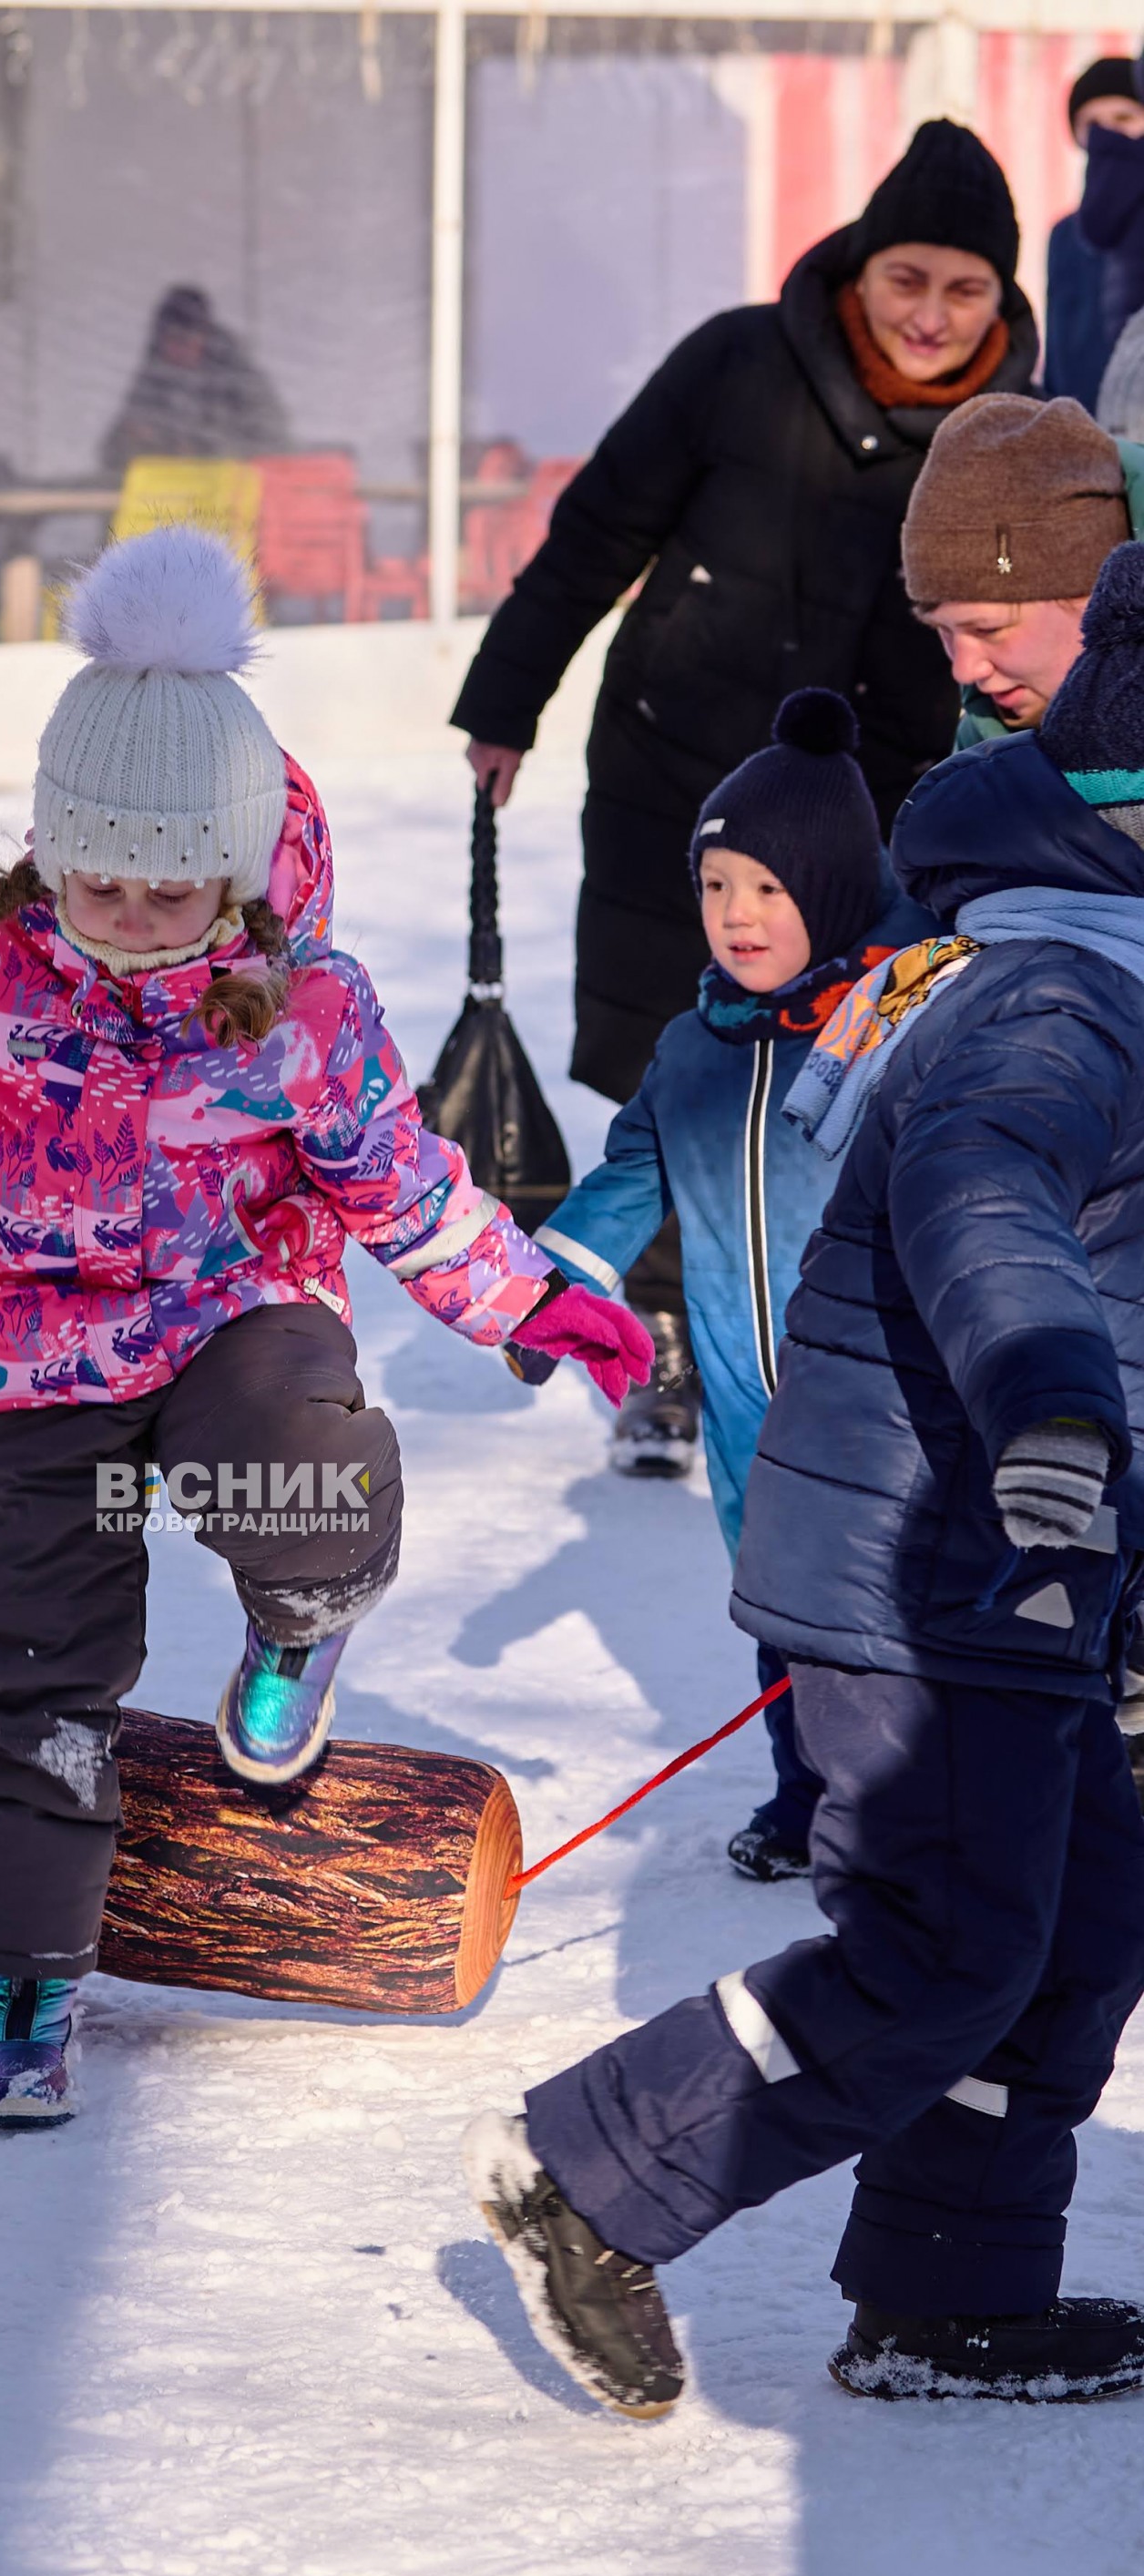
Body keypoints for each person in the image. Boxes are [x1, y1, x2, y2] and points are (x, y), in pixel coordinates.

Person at [0, 526, 650, 2128]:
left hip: (232, 1307)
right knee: (29, 1659)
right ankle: (24, 1969)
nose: (125, 911)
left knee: (298, 1468)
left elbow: (398, 1182)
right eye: (96, 876)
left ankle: (300, 1621)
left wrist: (532, 1297)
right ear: (52, 851)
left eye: (166, 882)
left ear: (240, 867)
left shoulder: (301, 1016)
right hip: (39, 1357)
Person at [462, 538, 1144, 2421]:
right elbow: (984, 1196)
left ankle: (948, 2286)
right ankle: (591, 2169)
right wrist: (1053, 1406)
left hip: (1030, 1552)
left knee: (1077, 1929)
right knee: (945, 1940)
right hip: (933, 1543)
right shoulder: (1059, 997)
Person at [452, 119, 1037, 1487]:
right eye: (909, 280)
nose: (934, 316)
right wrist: (504, 700)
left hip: (876, 819)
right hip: (684, 783)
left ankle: (828, 1329)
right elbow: (600, 526)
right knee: (681, 1058)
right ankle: (655, 1338)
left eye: (966, 290)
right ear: (858, 267)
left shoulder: (1007, 435)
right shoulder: (734, 362)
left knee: (848, 1076)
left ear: (1003, 299)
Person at [532, 690, 921, 1886]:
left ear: (836, 889)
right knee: (780, 1604)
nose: (738, 917)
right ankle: (804, 1793)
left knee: (884, 1608)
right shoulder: (695, 1047)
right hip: (746, 1397)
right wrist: (546, 1291)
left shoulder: (894, 1027)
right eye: (717, 888)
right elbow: (634, 1169)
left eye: (770, 888)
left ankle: (900, 1810)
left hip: (881, 1391)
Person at [903, 393, 1144, 749]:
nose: (965, 671)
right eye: (944, 630)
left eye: (989, 629)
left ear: (1099, 597)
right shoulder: (976, 759)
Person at [97, 285, 291, 477]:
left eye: (186, 340)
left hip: (232, 495)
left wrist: (202, 451)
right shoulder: (153, 382)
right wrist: (136, 442)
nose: (177, 350)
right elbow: (112, 455)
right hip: (169, 499)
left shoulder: (240, 382)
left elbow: (273, 443)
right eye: (170, 340)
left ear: (206, 338)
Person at [1044, 56, 1144, 413]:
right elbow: (1058, 348)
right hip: (1083, 429)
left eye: (1123, 118)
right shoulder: (1065, 235)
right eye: (1093, 123)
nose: (1108, 134)